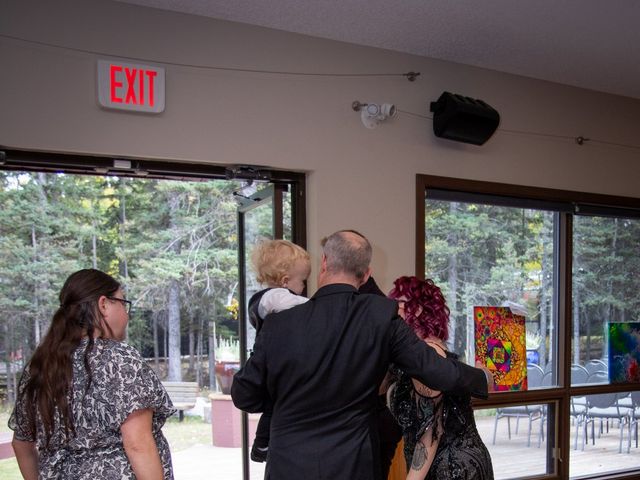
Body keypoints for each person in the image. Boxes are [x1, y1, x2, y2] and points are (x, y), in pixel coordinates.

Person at [231, 230, 491, 480]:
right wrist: (481, 377)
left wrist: (288, 396)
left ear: (324, 263)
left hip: (289, 465)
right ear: (366, 274)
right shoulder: (380, 315)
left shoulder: (279, 322)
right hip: (353, 464)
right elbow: (434, 369)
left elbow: (245, 395)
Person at [9, 269, 175, 480]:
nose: (126, 313)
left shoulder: (41, 365)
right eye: (123, 303)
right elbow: (137, 445)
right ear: (103, 304)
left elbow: (21, 444)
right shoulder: (119, 359)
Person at [387, 275, 494, 480]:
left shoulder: (427, 354)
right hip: (456, 461)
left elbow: (430, 435)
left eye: (397, 303)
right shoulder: (425, 349)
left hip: (452, 468)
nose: (391, 309)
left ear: (416, 309)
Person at [248, 239, 311, 462]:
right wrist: (321, 305)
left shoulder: (270, 297)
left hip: (273, 364)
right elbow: (299, 305)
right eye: (303, 281)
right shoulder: (274, 297)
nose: (304, 287)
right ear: (285, 281)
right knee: (274, 406)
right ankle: (261, 445)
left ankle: (262, 444)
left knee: (274, 406)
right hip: (273, 365)